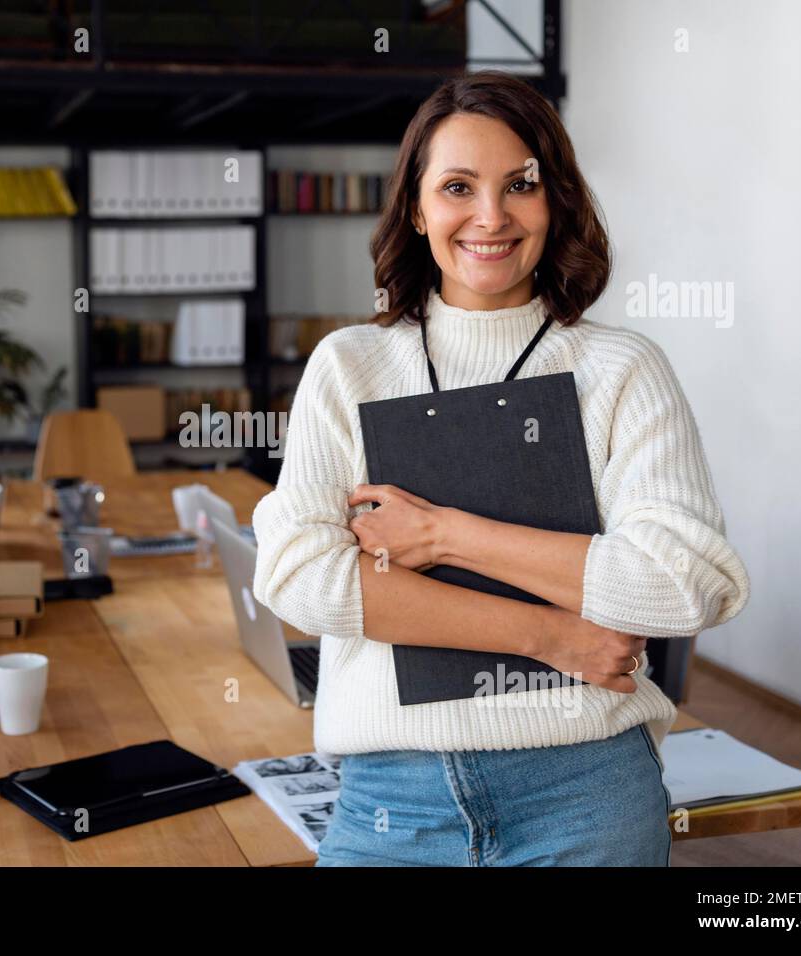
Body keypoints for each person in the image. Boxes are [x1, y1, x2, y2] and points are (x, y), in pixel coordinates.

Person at [251, 71, 751, 866]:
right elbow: (299, 575)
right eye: (457, 187)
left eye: (521, 185)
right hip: (394, 799)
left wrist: (444, 536)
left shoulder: (622, 368)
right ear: (417, 209)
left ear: (555, 202)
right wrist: (553, 635)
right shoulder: (351, 366)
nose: (491, 216)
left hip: (585, 792)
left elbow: (685, 582)